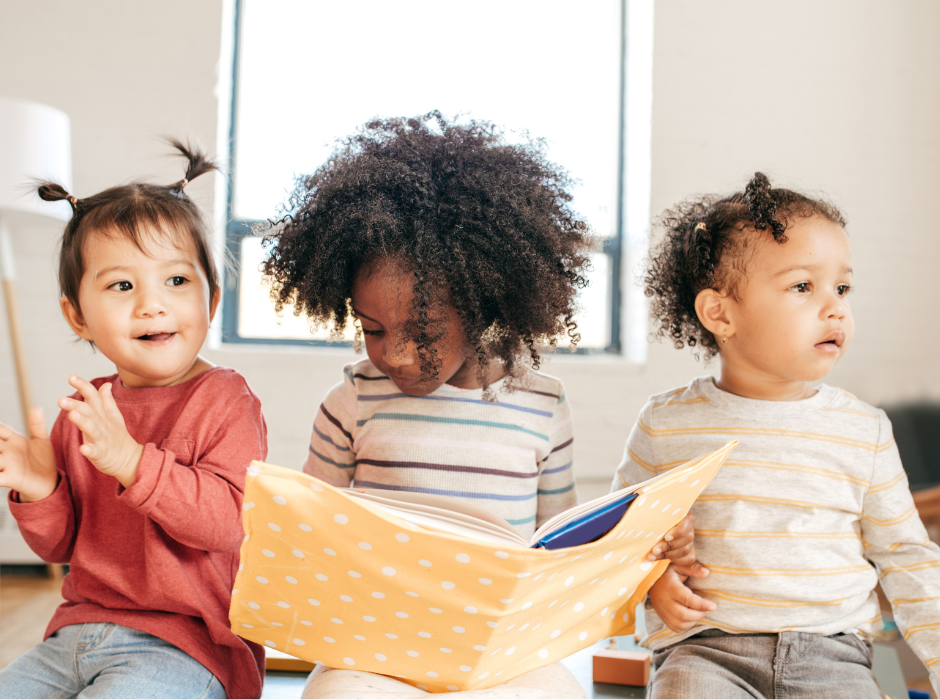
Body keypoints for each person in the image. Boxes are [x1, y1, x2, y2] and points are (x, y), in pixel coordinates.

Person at [259, 112, 696, 697]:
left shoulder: (543, 406)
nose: (398, 355)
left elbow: (556, 545)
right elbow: (312, 535)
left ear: (485, 304)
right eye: (373, 329)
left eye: (424, 331)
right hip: (376, 650)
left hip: (503, 652)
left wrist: (635, 550)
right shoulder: (353, 402)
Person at [613, 172, 940, 698]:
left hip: (834, 655)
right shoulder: (665, 423)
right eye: (803, 286)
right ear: (720, 313)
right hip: (704, 651)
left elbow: (907, 556)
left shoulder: (865, 430)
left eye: (842, 287)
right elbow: (619, 540)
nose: (835, 307)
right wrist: (654, 583)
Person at [0, 142, 268, 699]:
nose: (152, 304)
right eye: (122, 285)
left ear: (211, 300)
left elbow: (224, 524)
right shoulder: (87, 410)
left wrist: (130, 462)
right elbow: (63, 547)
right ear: (78, 314)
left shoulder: (226, 399)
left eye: (176, 281)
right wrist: (40, 490)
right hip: (72, 636)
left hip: (184, 646)